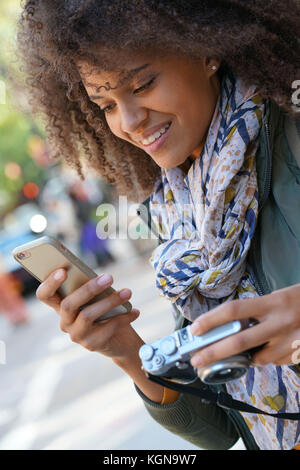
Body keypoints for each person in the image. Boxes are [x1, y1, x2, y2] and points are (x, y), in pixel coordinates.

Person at [16, 1, 300, 450]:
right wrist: (128, 350)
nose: (128, 122)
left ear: (207, 48)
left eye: (143, 83)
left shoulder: (292, 128)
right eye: (105, 104)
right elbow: (225, 429)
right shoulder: (178, 206)